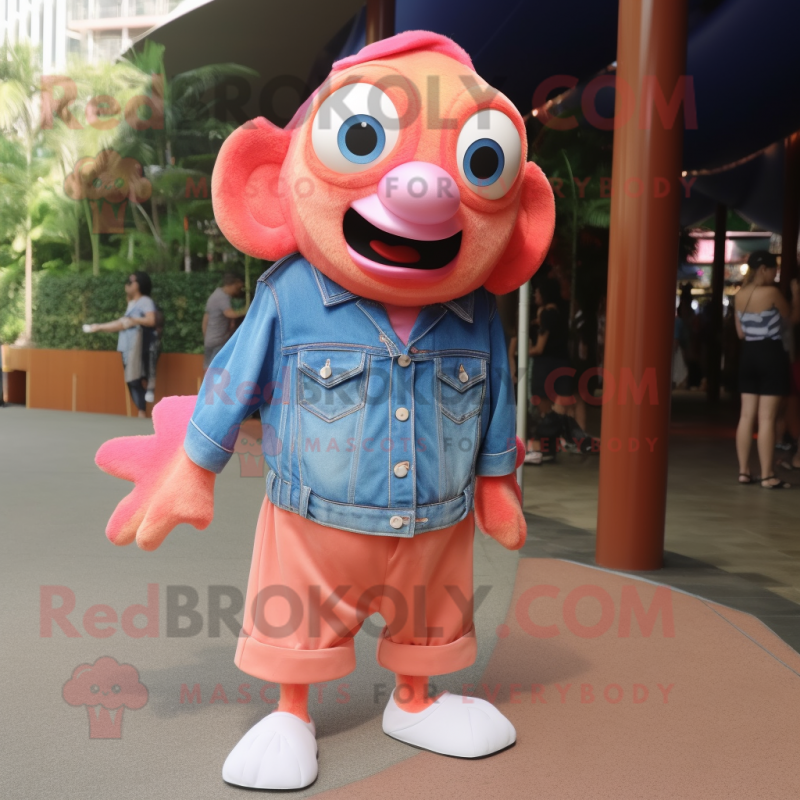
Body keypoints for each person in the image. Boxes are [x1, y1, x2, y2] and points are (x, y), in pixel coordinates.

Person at [734, 251, 800, 488]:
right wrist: (795, 294)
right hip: (771, 355)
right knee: (767, 418)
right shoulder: (772, 293)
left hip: (748, 355)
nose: (776, 273)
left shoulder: (739, 295)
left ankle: (743, 471)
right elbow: (792, 317)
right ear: (763, 269)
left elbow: (740, 333)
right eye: (774, 269)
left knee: (746, 416)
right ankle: (768, 475)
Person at [84, 271, 156, 419]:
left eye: (131, 281)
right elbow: (121, 324)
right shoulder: (131, 303)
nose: (128, 283)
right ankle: (141, 411)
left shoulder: (145, 301)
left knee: (135, 379)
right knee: (131, 379)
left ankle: (142, 412)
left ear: (140, 284)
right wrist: (99, 327)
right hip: (126, 346)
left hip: (137, 347)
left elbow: (151, 320)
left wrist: (135, 320)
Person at [203, 272, 246, 369]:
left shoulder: (215, 294)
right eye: (239, 287)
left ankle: (207, 384)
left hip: (210, 340)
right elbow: (230, 314)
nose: (239, 290)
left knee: (208, 368)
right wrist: (247, 311)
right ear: (235, 283)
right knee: (217, 370)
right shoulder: (222, 297)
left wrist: (206, 336)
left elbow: (205, 318)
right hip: (219, 340)